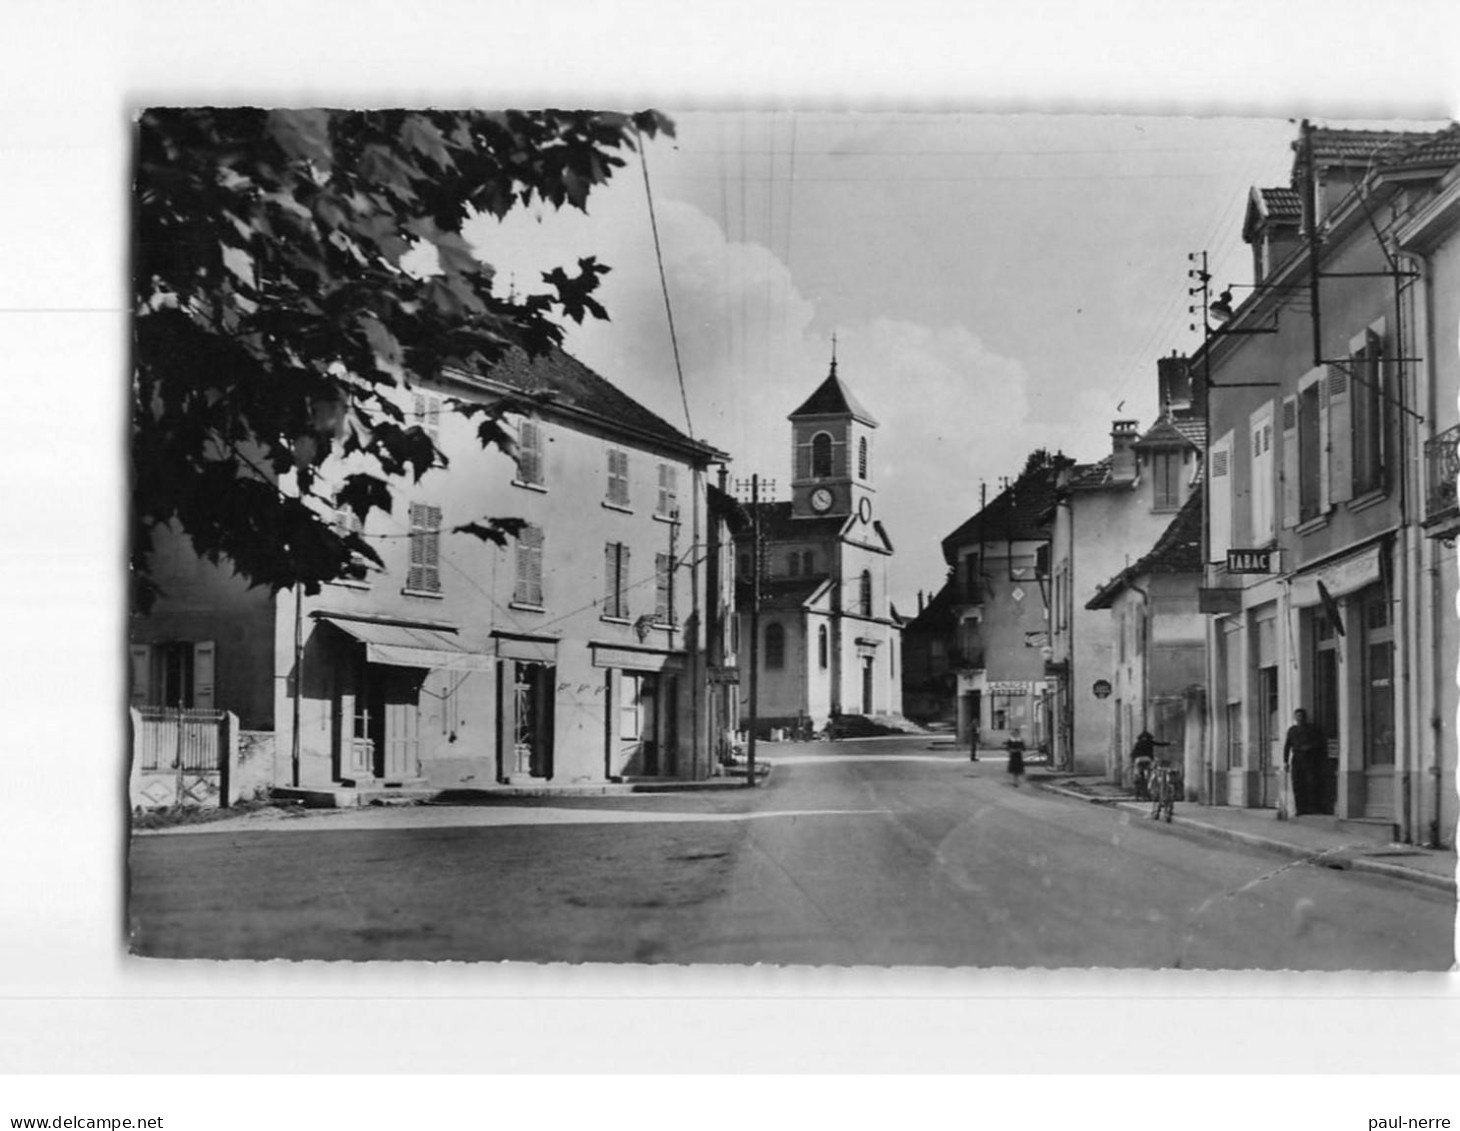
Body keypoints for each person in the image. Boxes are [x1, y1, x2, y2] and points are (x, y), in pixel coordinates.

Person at [1283, 708, 1327, 816]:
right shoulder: (1292, 730)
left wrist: (1310, 747)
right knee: (1297, 784)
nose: (1300, 718)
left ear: (1305, 717)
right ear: (1295, 718)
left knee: (1311, 783)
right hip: (1297, 759)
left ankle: (1313, 808)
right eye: (1297, 716)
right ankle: (1300, 809)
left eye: (1301, 716)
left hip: (1310, 759)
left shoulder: (1312, 729)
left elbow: (1319, 743)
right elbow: (1287, 746)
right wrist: (1285, 761)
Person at [1129, 729, 1169, 801]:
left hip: (1139, 760)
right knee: (1151, 771)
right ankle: (1149, 780)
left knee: (1137, 771)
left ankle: (1138, 778)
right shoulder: (1150, 742)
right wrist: (1169, 743)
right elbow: (1160, 744)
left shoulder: (1138, 743)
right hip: (1148, 759)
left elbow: (1133, 753)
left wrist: (1132, 759)